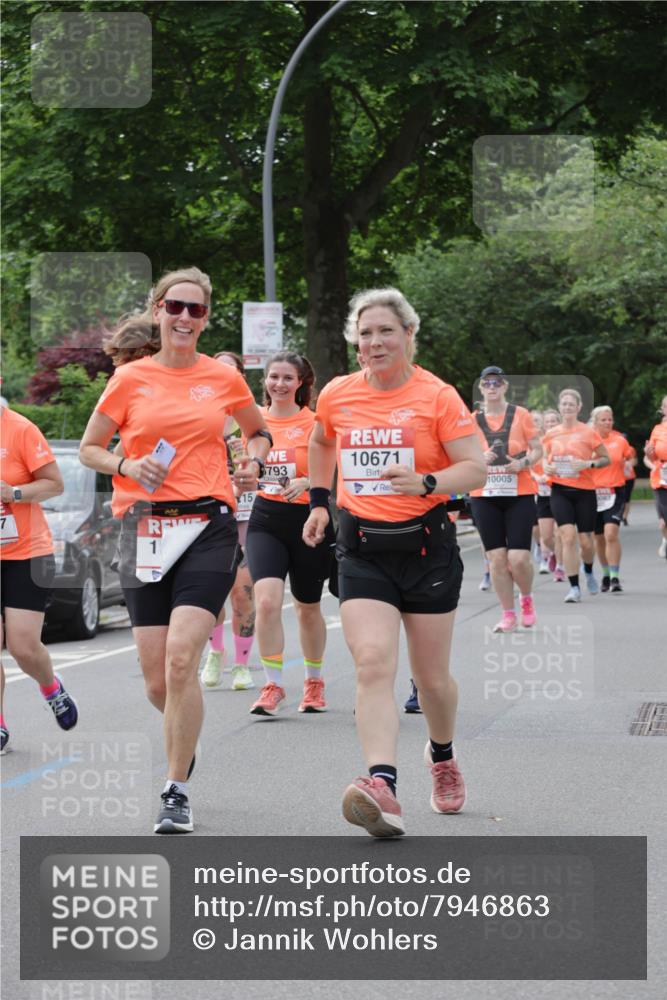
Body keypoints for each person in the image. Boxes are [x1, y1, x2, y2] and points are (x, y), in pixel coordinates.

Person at [79, 266, 270, 834]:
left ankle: (175, 789)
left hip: (207, 524)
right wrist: (127, 464)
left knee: (183, 658)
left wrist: (252, 458)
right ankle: (183, 741)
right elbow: (91, 449)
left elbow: (258, 431)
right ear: (158, 309)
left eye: (197, 310)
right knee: (158, 682)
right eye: (176, 307)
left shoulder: (223, 379)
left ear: (206, 318)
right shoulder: (130, 379)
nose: (186, 317)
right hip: (142, 527)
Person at [303, 287, 486, 837]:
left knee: (431, 681)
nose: (375, 342)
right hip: (362, 550)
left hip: (426, 548)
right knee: (373, 663)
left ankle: (444, 757)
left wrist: (428, 481)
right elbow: (320, 442)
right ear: (355, 343)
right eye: (365, 333)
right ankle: (382, 784)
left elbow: (475, 468)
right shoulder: (338, 393)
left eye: (386, 331)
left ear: (409, 334)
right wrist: (318, 500)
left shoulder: (437, 396)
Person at [245, 350, 334, 716]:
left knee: (307, 607)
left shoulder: (315, 421)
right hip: (265, 517)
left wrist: (308, 482)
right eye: (273, 377)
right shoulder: (251, 421)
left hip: (308, 522)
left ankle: (313, 682)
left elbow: (333, 467)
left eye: (287, 378)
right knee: (265, 601)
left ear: (301, 383)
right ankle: (273, 684)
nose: (278, 384)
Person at [1, 404, 78, 754]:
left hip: (26, 554)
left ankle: (51, 687)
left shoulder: (20, 429)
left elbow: (54, 484)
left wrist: (14, 493)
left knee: (22, 647)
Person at [468, 367, 542, 632]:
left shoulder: (521, 415)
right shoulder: (472, 419)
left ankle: (527, 598)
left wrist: (523, 462)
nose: (491, 386)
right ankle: (508, 613)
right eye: (486, 382)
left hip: (518, 492)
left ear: (504, 386)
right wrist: (479, 459)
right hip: (484, 495)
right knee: (497, 558)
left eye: (496, 382)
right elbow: (461, 455)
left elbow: (538, 450)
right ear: (481, 388)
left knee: (519, 558)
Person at [200, 351, 257, 691]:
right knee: (209, 595)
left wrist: (247, 464)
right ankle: (215, 653)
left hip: (246, 519)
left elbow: (268, 468)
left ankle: (242, 664)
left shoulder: (250, 422)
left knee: (242, 594)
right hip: (207, 518)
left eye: (230, 371)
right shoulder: (197, 417)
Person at [542, 389, 610, 603]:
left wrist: (588, 463)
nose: (567, 407)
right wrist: (547, 467)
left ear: (579, 408)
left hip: (585, 492)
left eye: (572, 404)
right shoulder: (551, 434)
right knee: (568, 537)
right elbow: (544, 460)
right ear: (560, 407)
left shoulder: (588, 432)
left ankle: (588, 571)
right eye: (564, 404)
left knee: (586, 541)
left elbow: (605, 459)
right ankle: (573, 588)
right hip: (560, 490)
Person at [590, 406, 633, 593]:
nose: (608, 422)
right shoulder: (587, 441)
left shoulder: (620, 441)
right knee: (598, 537)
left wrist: (627, 465)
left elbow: (630, 458)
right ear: (595, 422)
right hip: (591, 493)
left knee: (611, 533)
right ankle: (606, 575)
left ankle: (615, 577)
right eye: (604, 420)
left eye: (610, 419)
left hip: (615, 491)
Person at [531, 408, 565, 580]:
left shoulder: (565, 442)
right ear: (543, 425)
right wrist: (537, 476)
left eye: (554, 421)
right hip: (542, 493)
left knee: (560, 532)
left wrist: (551, 475)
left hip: (560, 491)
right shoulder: (538, 444)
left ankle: (560, 566)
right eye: (548, 421)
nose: (551, 424)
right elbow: (528, 466)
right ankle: (550, 553)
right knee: (546, 536)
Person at [644, 394, 667, 557]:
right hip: (661, 478)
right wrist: (649, 453)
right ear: (663, 409)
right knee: (663, 522)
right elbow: (652, 456)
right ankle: (665, 540)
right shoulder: (657, 430)